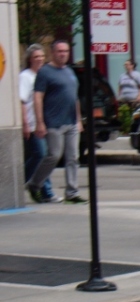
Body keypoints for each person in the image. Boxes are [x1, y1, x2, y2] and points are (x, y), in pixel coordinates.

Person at [28, 40, 87, 205]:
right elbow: (37, 97)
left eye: (66, 51)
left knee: (73, 157)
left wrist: (78, 119)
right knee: (53, 155)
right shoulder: (45, 72)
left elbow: (74, 97)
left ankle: (72, 192)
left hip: (71, 122)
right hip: (53, 122)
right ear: (53, 53)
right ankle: (34, 184)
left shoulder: (69, 72)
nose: (63, 54)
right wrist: (40, 122)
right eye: (60, 51)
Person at [19, 45, 56, 203]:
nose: (40, 59)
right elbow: (22, 101)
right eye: (36, 57)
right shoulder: (26, 77)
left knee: (46, 157)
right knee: (40, 155)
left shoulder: (44, 75)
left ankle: (46, 192)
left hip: (46, 123)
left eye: (41, 56)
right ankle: (20, 183)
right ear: (29, 60)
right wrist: (25, 124)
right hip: (33, 124)